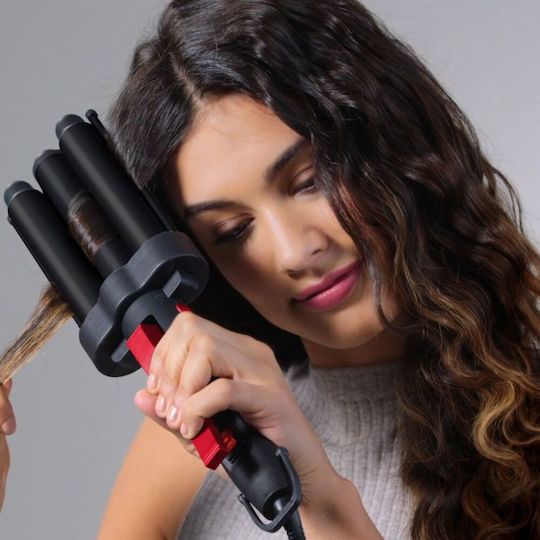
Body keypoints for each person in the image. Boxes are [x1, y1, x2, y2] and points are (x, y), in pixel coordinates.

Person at [1, 1, 539, 538]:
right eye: (233, 231)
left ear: (391, 142)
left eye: (310, 181)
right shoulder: (195, 444)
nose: (294, 252)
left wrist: (321, 498)